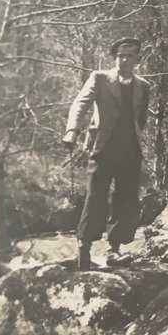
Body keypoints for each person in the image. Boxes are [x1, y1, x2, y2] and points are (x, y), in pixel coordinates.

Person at [64, 37, 152, 271]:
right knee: (95, 198)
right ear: (115, 58)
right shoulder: (100, 79)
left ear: (136, 59)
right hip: (102, 148)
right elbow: (80, 103)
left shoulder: (143, 86)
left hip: (130, 151)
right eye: (120, 56)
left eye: (129, 56)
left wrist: (135, 139)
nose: (124, 60)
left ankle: (114, 250)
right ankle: (85, 249)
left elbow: (140, 119)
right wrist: (72, 131)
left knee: (126, 199)